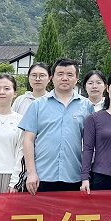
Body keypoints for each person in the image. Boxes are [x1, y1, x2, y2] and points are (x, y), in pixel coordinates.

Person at [19, 58, 94, 193]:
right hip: (41, 176)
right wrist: (31, 173)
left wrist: (85, 176)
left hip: (73, 175)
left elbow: (89, 144)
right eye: (60, 74)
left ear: (77, 78)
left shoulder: (86, 106)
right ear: (52, 77)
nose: (64, 78)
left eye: (70, 74)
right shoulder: (38, 105)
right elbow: (28, 140)